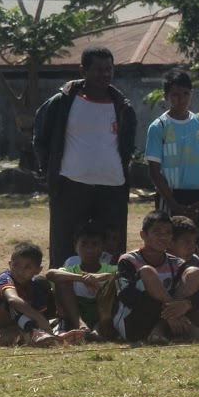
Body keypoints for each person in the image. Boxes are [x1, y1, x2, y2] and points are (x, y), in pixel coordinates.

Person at [33, 47, 136, 265]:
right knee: (65, 247)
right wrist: (48, 170)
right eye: (98, 69)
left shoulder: (122, 106)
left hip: (113, 187)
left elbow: (127, 146)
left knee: (111, 249)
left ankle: (109, 294)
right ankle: (63, 294)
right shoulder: (62, 103)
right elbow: (41, 137)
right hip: (71, 186)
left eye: (108, 69)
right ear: (83, 70)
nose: (104, 74)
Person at [113, 210, 199, 344]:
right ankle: (187, 329)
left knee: (194, 272)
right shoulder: (128, 260)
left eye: (168, 233)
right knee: (148, 272)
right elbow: (127, 295)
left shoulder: (177, 263)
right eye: (157, 233)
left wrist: (186, 304)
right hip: (133, 321)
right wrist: (167, 310)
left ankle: (160, 330)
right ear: (143, 235)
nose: (163, 237)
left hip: (167, 320)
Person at [144, 69, 199, 217]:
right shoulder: (159, 126)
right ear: (166, 96)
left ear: (191, 93)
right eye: (175, 95)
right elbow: (154, 170)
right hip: (169, 197)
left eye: (186, 93)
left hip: (196, 197)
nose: (181, 99)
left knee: (195, 239)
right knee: (168, 238)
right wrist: (172, 203)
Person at [0, 242, 83, 347]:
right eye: (16, 265)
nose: (20, 271)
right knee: (15, 305)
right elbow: (13, 299)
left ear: (38, 270)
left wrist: (43, 323)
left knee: (19, 335)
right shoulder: (5, 278)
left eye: (27, 267)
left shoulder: (35, 286)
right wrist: (40, 320)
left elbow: (40, 314)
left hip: (15, 328)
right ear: (9, 264)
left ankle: (51, 334)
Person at [47, 222, 117, 336]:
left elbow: (124, 274)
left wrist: (99, 277)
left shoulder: (109, 268)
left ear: (103, 247)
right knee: (62, 282)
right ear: (75, 246)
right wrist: (82, 278)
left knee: (116, 282)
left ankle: (99, 327)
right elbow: (50, 274)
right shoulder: (71, 269)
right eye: (84, 244)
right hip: (76, 312)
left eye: (94, 244)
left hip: (101, 313)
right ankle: (80, 324)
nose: (89, 250)